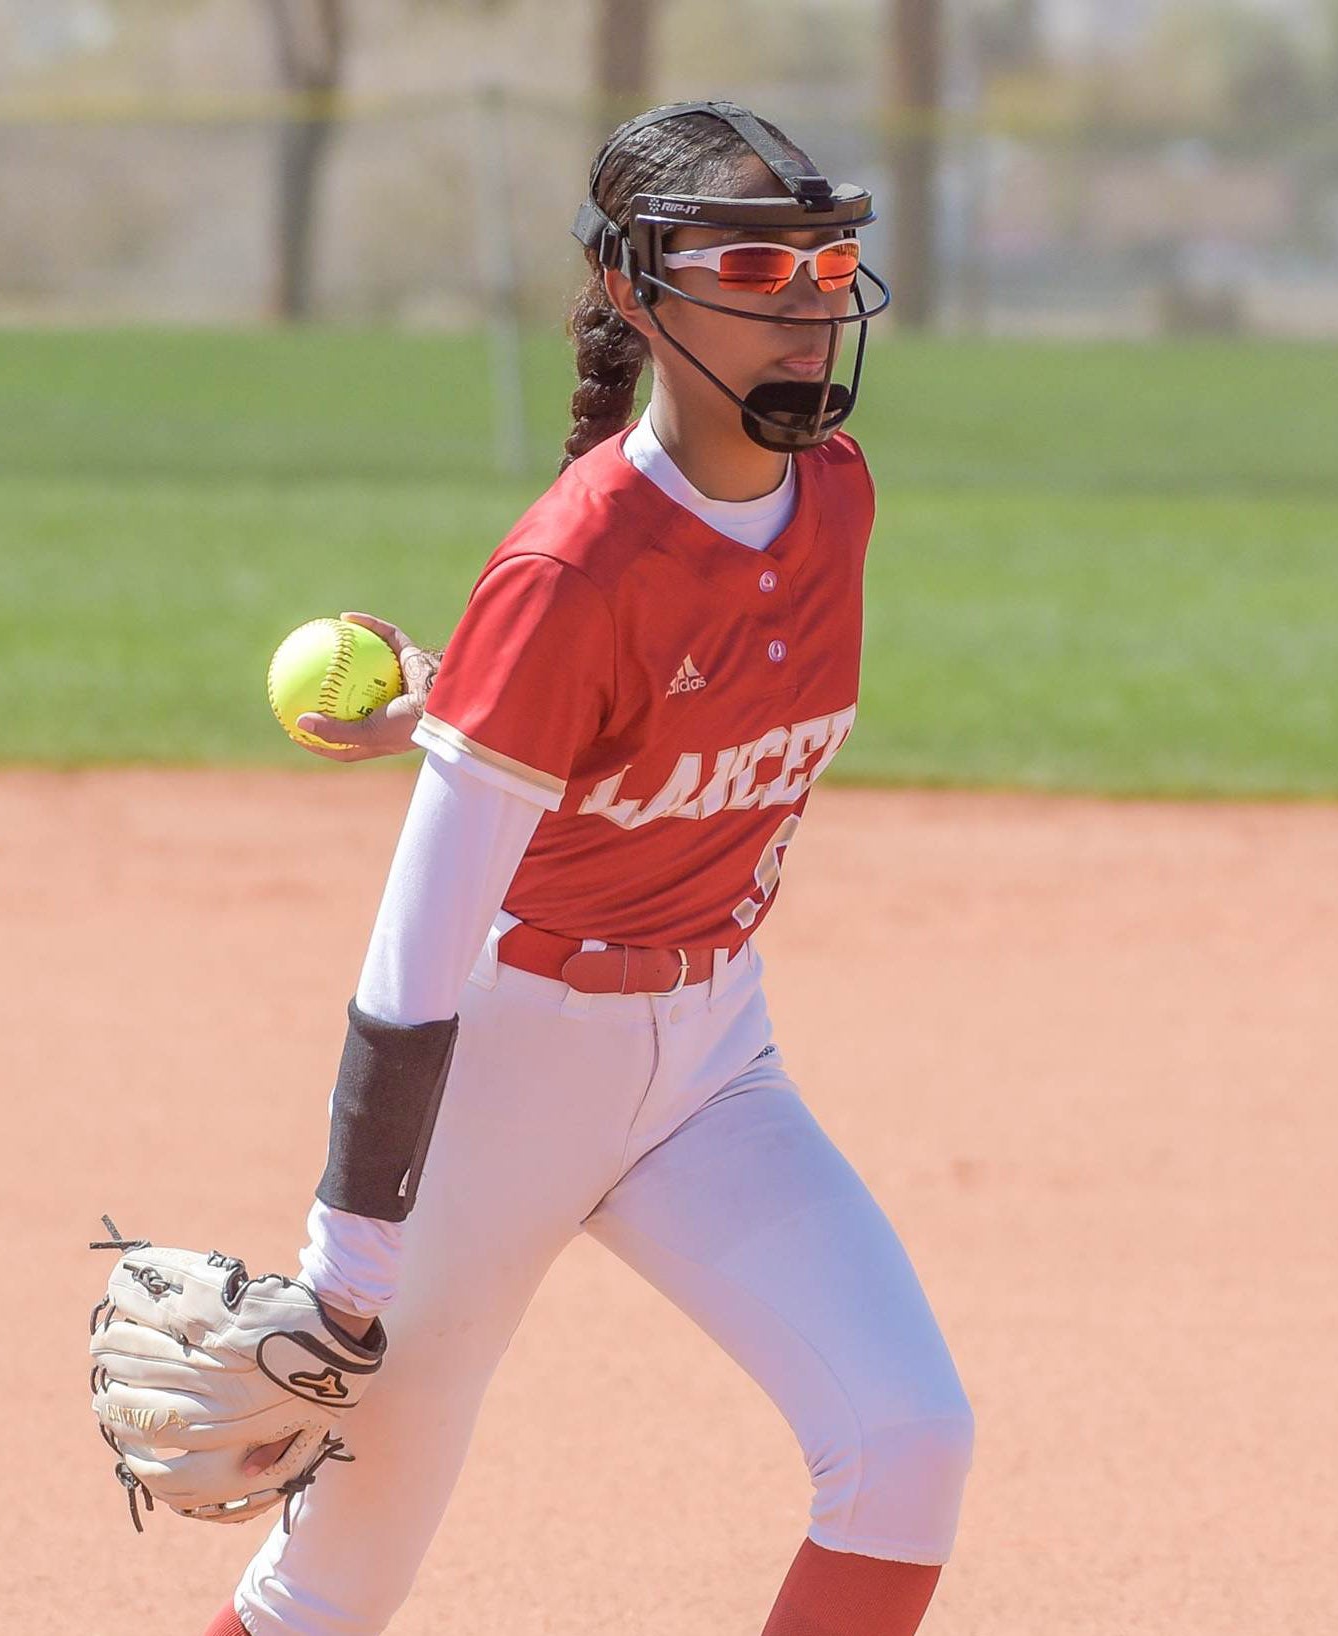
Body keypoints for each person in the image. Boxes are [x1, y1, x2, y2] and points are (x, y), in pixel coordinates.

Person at [230, 101, 969, 1636]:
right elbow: (419, 936)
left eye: (826, 261)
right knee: (333, 1585)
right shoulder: (568, 568)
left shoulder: (837, 496)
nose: (811, 301)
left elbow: (677, 695)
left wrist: (478, 713)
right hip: (502, 1075)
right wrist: (348, 1252)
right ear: (637, 293)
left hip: (712, 1059)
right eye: (753, 268)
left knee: (908, 1441)